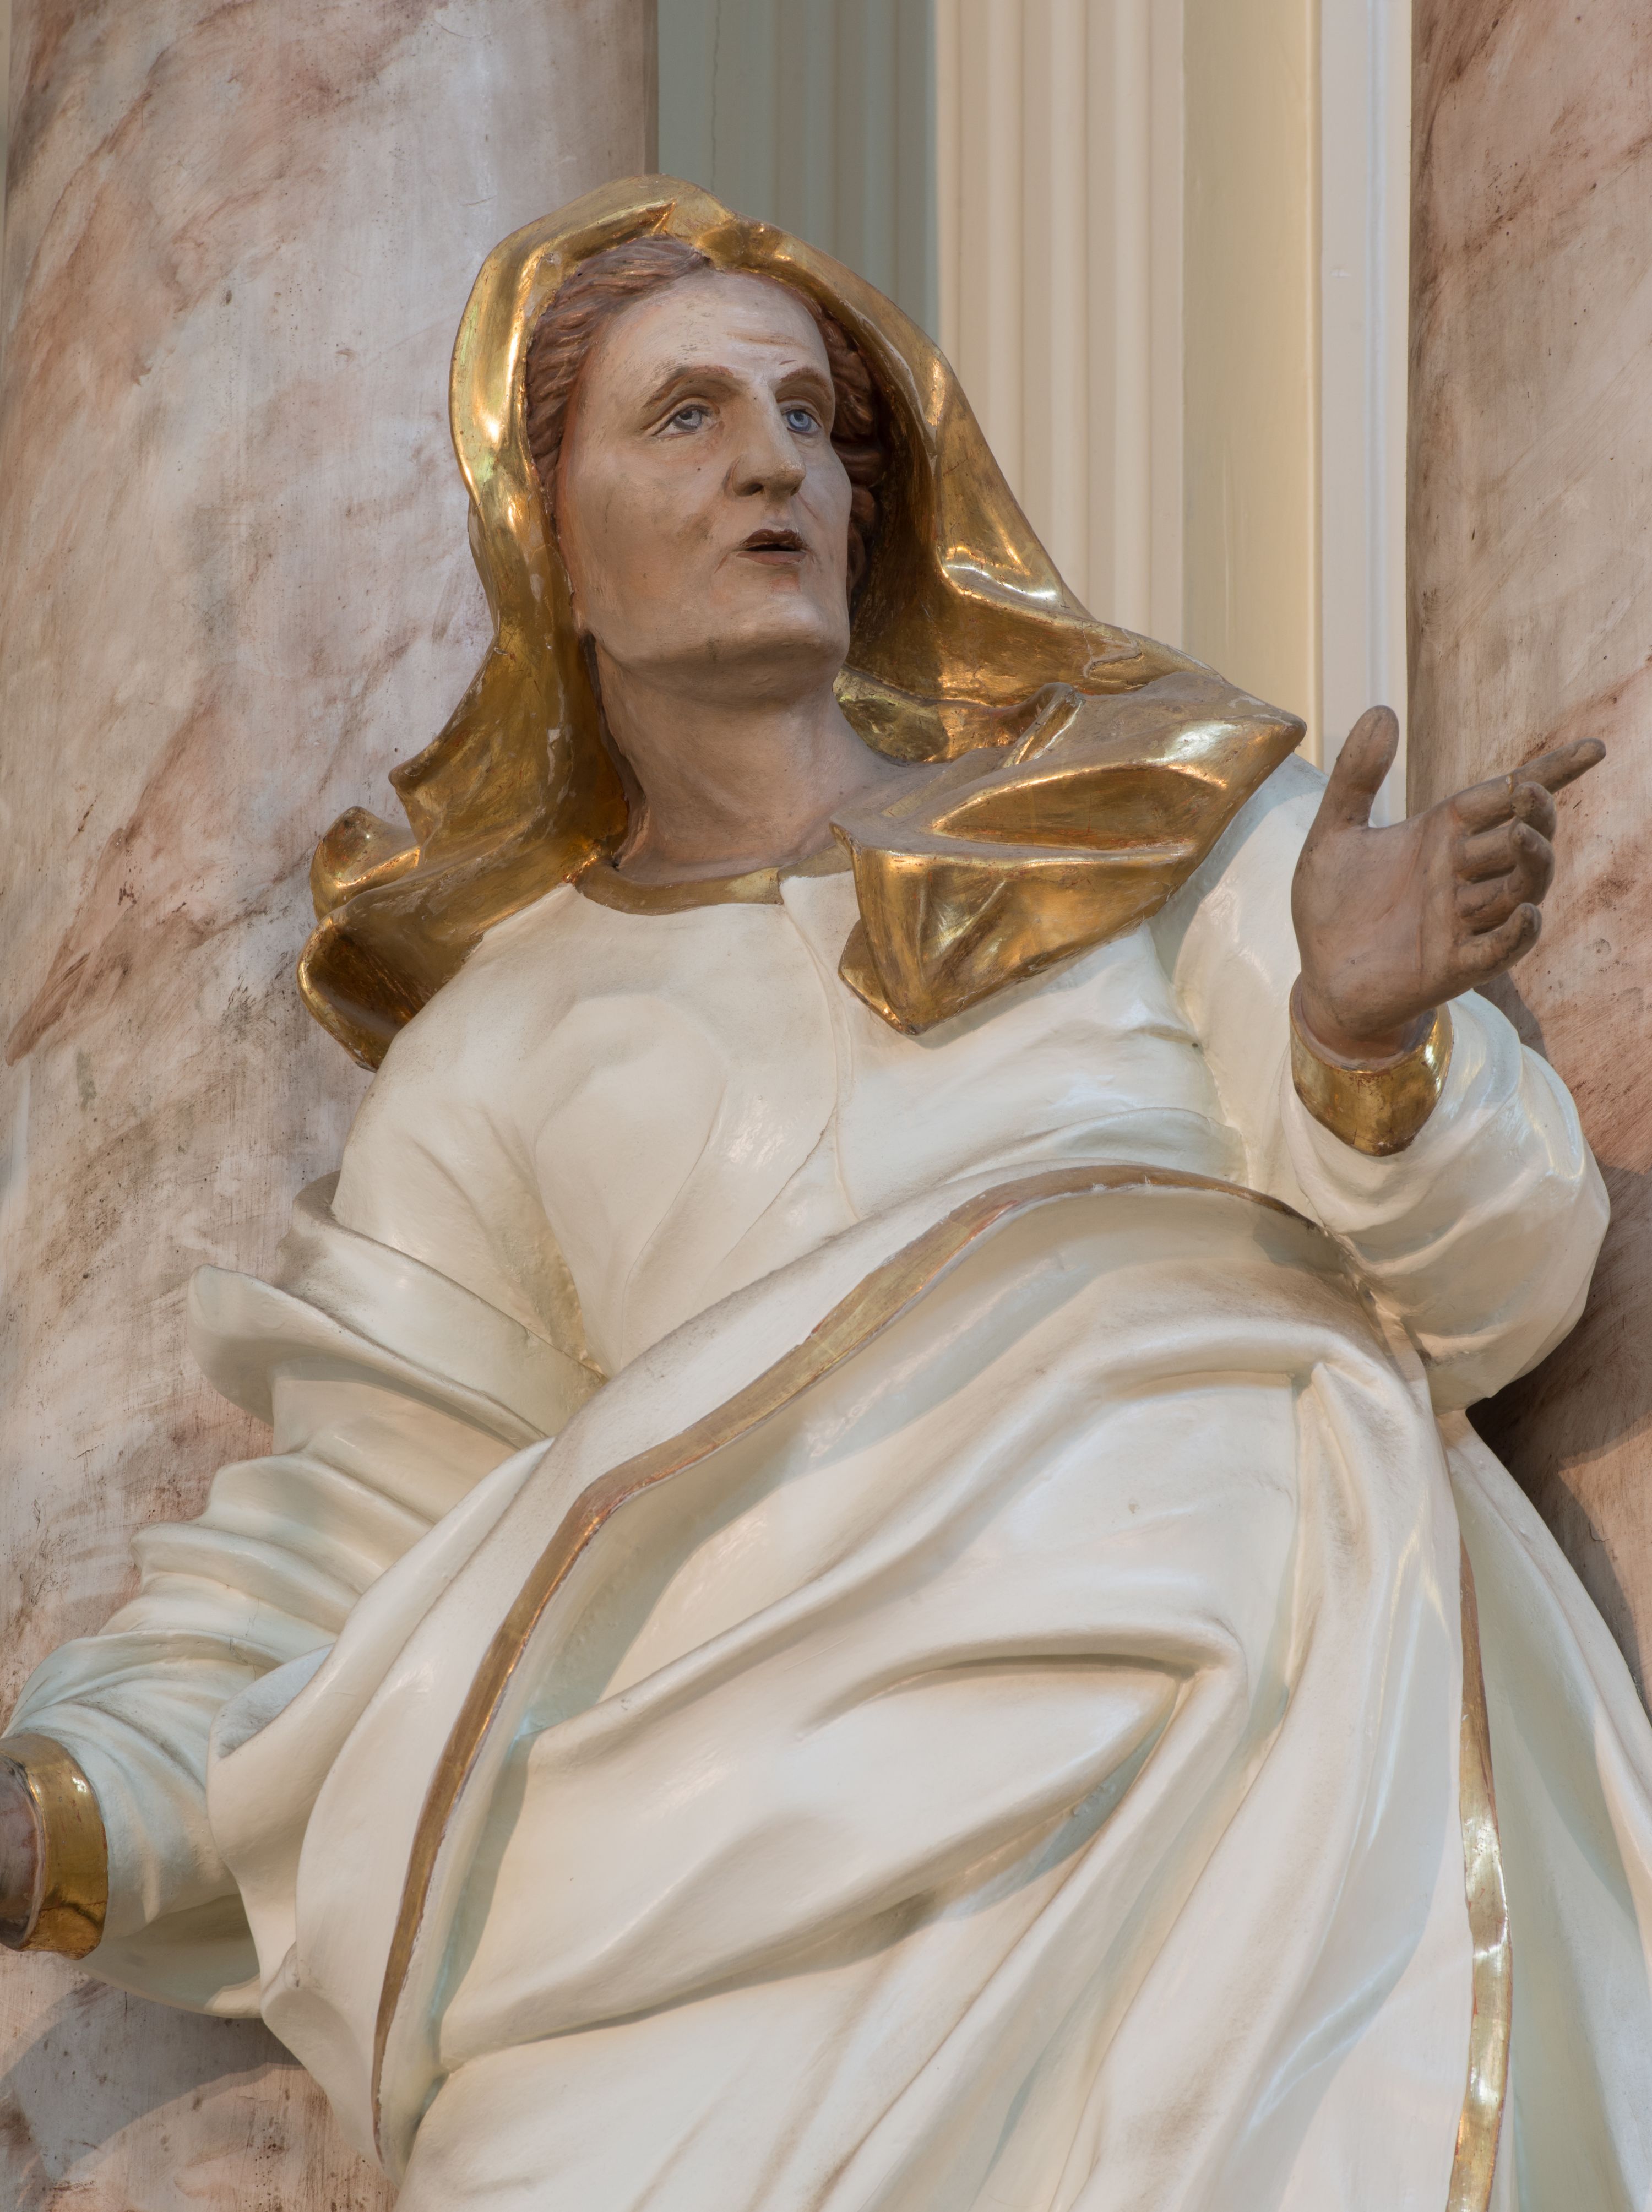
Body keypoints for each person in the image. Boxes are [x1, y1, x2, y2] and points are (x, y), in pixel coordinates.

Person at [0, 179, 1641, 2211]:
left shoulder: (1166, 836)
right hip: (699, 1869)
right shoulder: (497, 1049)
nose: (774, 460)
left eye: (810, 418)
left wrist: (1359, 1037)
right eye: (686, 415)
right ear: (548, 541)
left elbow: (1509, 1284)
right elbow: (339, 1541)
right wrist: (69, 1808)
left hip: (1226, 1733)